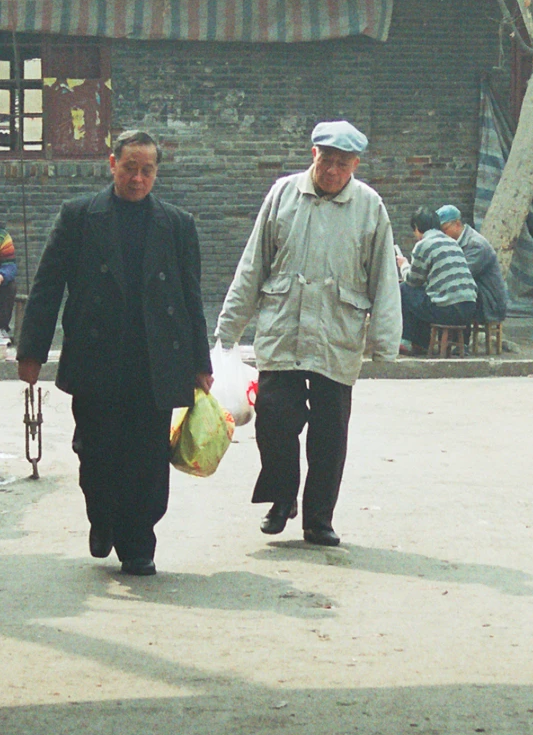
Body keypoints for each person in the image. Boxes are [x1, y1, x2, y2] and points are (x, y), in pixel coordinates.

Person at [16, 130, 212, 576]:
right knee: (97, 452)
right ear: (112, 164)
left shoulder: (178, 225)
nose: (138, 178)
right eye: (130, 168)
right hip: (96, 356)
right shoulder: (80, 217)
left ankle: (139, 542)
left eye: (147, 170)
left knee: (147, 457)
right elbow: (48, 287)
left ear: (156, 172)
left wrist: (200, 362)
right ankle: (102, 517)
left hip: (154, 359)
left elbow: (190, 297)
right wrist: (32, 352)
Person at [216, 120, 401, 547]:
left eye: (342, 164)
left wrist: (385, 340)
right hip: (284, 329)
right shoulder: (283, 194)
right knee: (274, 422)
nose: (332, 170)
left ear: (354, 165)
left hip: (337, 334)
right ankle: (282, 499)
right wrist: (229, 328)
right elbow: (253, 263)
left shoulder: (370, 206)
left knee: (329, 435)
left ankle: (319, 519)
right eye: (326, 160)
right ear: (312, 155)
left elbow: (384, 279)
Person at [399, 207, 481, 352]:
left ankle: (409, 341)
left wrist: (404, 265)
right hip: (469, 309)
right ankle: (425, 343)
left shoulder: (423, 244)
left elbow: (413, 281)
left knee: (405, 290)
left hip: (447, 310)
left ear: (417, 228)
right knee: (424, 296)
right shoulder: (453, 243)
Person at [437, 204, 509, 325]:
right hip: (474, 296)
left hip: (488, 304)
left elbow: (460, 276)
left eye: (445, 230)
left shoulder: (476, 245)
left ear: (457, 224)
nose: (443, 235)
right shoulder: (456, 242)